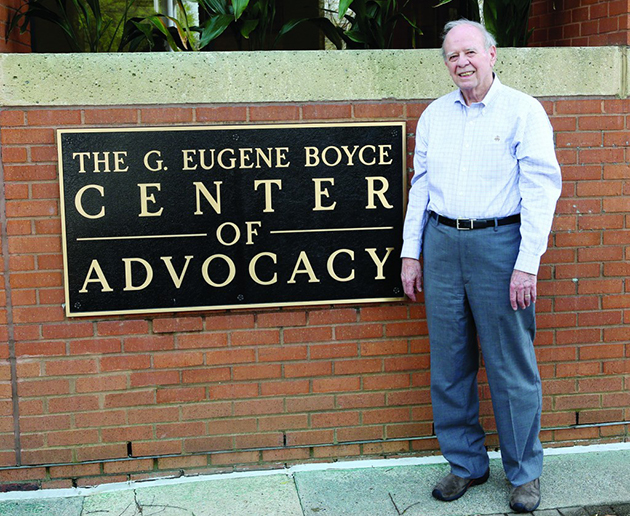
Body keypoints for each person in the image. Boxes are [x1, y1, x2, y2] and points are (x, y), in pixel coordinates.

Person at [400, 19, 561, 513]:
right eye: (452, 56)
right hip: (442, 243)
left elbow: (541, 189)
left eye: (470, 51)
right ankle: (466, 464)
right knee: (449, 364)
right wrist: (411, 252)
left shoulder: (523, 111)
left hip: (500, 244)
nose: (462, 62)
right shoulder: (434, 115)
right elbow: (420, 186)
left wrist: (527, 264)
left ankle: (525, 473)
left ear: (492, 54)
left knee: (511, 366)